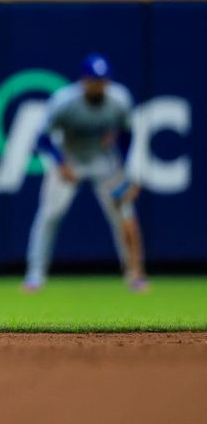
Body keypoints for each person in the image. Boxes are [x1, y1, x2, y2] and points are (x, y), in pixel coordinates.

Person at [23, 53, 148, 293]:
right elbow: (42, 138)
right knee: (50, 214)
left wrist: (125, 171)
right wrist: (61, 163)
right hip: (70, 158)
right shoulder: (64, 101)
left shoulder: (119, 99)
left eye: (102, 81)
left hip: (104, 161)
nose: (99, 85)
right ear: (83, 81)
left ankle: (134, 274)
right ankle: (35, 275)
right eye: (94, 80)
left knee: (123, 214)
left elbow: (127, 135)